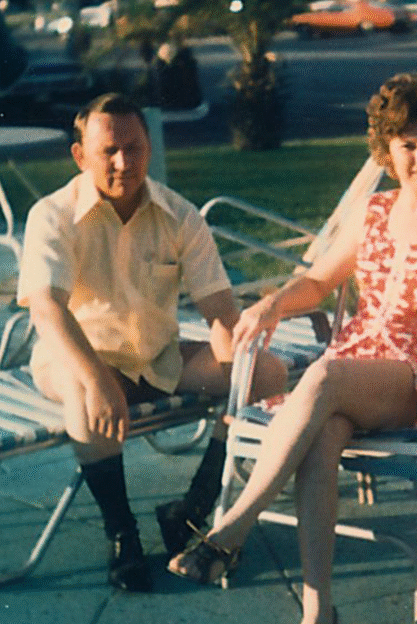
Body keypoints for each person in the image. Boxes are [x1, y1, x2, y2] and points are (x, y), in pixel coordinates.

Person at [167, 72, 417, 624]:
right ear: (387, 151)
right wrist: (272, 305)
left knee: (324, 377)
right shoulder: (374, 211)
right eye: (408, 146)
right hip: (354, 370)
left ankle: (229, 530)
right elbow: (317, 282)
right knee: (324, 434)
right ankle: (318, 611)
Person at [16, 92, 286, 593]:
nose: (124, 163)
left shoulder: (179, 214)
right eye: (109, 151)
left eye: (134, 148)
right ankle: (122, 535)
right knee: (86, 396)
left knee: (266, 371)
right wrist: (97, 380)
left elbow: (219, 310)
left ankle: (193, 507)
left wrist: (236, 368)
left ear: (149, 148)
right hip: (74, 358)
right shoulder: (51, 215)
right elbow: (48, 309)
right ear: (80, 156)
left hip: (156, 358)